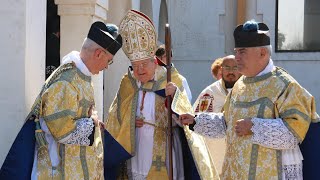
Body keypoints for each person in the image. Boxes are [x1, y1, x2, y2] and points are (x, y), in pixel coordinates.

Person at [180, 20, 319, 179]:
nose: (236, 57)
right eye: (236, 51)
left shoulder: (285, 86)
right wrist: (196, 122)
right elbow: (227, 123)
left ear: (262, 53)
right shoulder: (239, 85)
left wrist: (254, 127)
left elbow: (294, 133)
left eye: (242, 52)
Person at [103, 10, 219, 180]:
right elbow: (115, 116)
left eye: (143, 64)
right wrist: (129, 122)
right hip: (136, 148)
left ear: (154, 61)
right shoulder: (128, 83)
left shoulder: (171, 80)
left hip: (165, 146)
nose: (139, 70)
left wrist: (175, 98)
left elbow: (185, 117)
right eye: (135, 65)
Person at [0, 21, 122, 179]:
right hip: (58, 168)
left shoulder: (82, 75)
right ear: (98, 54)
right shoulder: (66, 80)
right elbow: (62, 130)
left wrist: (95, 121)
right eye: (109, 61)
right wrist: (92, 123)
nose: (107, 67)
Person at [193, 55, 241, 174]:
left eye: (235, 67)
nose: (231, 71)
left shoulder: (249, 90)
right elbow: (196, 121)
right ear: (221, 70)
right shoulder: (210, 93)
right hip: (218, 152)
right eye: (227, 67)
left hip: (242, 150)